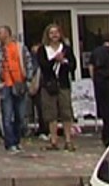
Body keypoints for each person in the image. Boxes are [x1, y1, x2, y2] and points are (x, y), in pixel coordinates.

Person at [35, 24, 76, 152]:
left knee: (66, 112)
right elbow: (43, 66)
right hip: (49, 85)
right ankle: (53, 140)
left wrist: (64, 61)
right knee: (51, 114)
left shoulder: (66, 49)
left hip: (63, 84)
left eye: (56, 32)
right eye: (51, 33)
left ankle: (68, 140)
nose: (54, 35)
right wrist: (54, 60)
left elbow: (73, 65)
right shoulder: (43, 49)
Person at [0, 25, 35, 154]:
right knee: (7, 116)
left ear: (7, 34)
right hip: (6, 85)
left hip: (19, 83)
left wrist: (28, 79)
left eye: (0, 33)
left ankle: (17, 141)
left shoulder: (19, 48)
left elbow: (28, 62)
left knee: (20, 115)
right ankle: (9, 143)